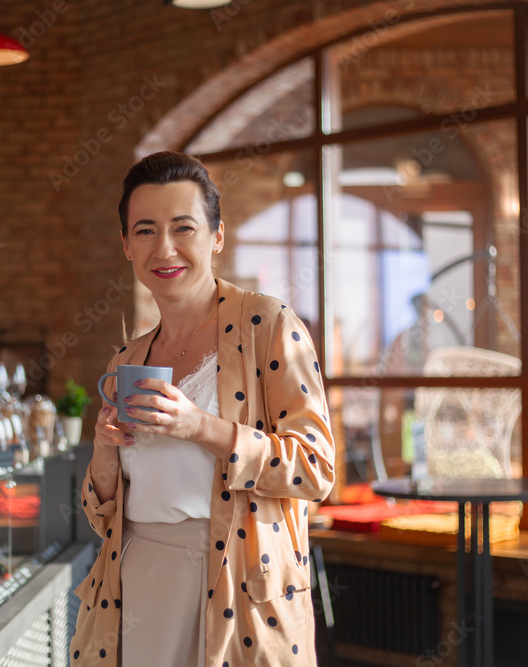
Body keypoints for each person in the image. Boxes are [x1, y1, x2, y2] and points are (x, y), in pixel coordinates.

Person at [70, 152, 335, 666]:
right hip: (135, 585)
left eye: (183, 227)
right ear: (126, 245)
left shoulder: (269, 325)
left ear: (216, 236)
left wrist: (200, 426)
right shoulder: (129, 357)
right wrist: (105, 450)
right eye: (144, 231)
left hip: (237, 589)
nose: (164, 248)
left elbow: (317, 469)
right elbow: (103, 515)